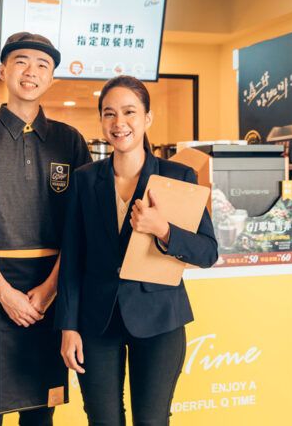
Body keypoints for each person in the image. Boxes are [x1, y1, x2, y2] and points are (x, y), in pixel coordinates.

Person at [0, 32, 92, 426]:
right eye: (21, 61)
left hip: (50, 289)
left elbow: (80, 227)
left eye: (43, 65)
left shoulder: (69, 141)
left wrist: (50, 289)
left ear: (52, 78)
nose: (31, 71)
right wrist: (4, 292)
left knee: (40, 413)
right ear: (3, 70)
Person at [56, 75, 218, 426]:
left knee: (152, 421)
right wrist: (68, 326)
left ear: (147, 118)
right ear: (101, 121)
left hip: (160, 319)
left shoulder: (178, 176)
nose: (119, 123)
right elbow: (72, 259)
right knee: (102, 420)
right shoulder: (85, 179)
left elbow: (207, 252)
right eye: (109, 113)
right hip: (96, 322)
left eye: (129, 112)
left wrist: (163, 230)